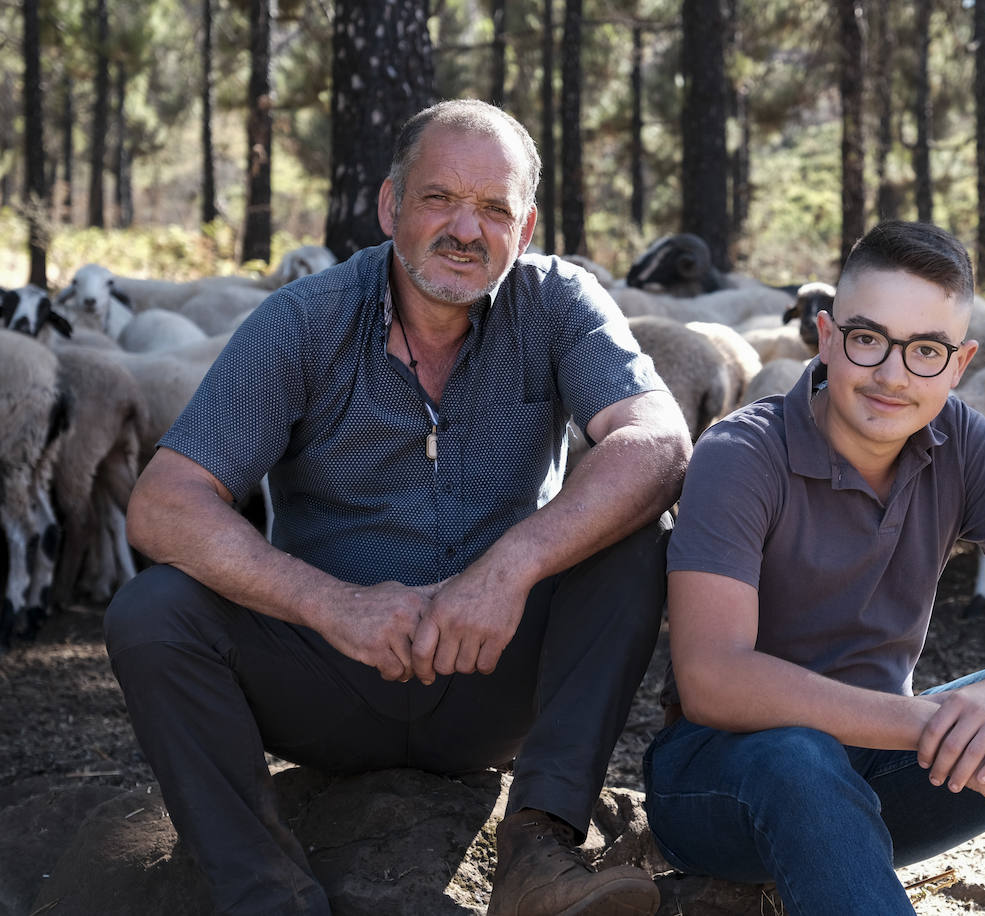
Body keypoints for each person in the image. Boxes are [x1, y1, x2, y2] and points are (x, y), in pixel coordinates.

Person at [104, 99, 691, 916]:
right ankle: (267, 896)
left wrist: (508, 571)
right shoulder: (302, 322)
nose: (465, 229)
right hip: (329, 678)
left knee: (635, 541)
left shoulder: (558, 302)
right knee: (152, 610)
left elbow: (657, 439)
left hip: (495, 676)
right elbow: (163, 506)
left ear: (523, 232)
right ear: (390, 207)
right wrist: (331, 603)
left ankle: (538, 853)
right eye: (438, 198)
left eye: (494, 208)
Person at [643, 220, 985, 915]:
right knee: (800, 757)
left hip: (876, 772)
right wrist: (931, 725)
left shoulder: (962, 443)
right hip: (722, 780)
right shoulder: (742, 454)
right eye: (868, 340)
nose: (893, 376)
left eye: (926, 350)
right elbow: (713, 680)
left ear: (960, 364)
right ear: (827, 337)